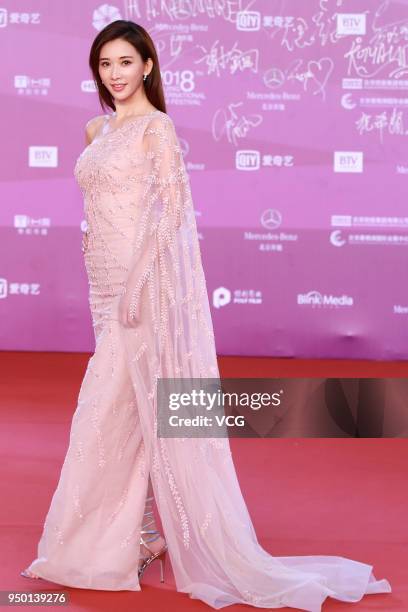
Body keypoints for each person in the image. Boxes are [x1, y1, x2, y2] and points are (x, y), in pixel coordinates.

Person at [21, 20, 392, 611]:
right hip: (103, 286)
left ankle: (107, 544)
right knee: (123, 409)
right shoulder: (97, 128)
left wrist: (140, 285)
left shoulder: (157, 129)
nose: (114, 75)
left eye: (125, 62)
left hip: (140, 290)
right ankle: (136, 537)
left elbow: (171, 215)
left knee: (107, 408)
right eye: (105, 64)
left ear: (147, 65)